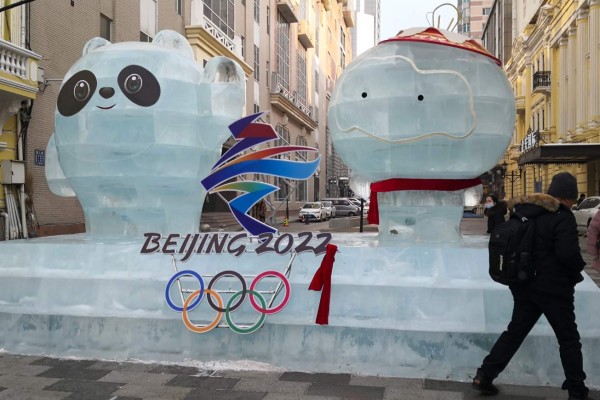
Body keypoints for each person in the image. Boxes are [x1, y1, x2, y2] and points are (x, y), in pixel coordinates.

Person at [472, 172, 591, 400]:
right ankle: (577, 390)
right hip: (554, 289)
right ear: (567, 198)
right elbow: (568, 254)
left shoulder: (525, 211)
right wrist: (577, 270)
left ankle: (485, 375)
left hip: (524, 284)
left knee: (515, 332)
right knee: (568, 339)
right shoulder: (561, 216)